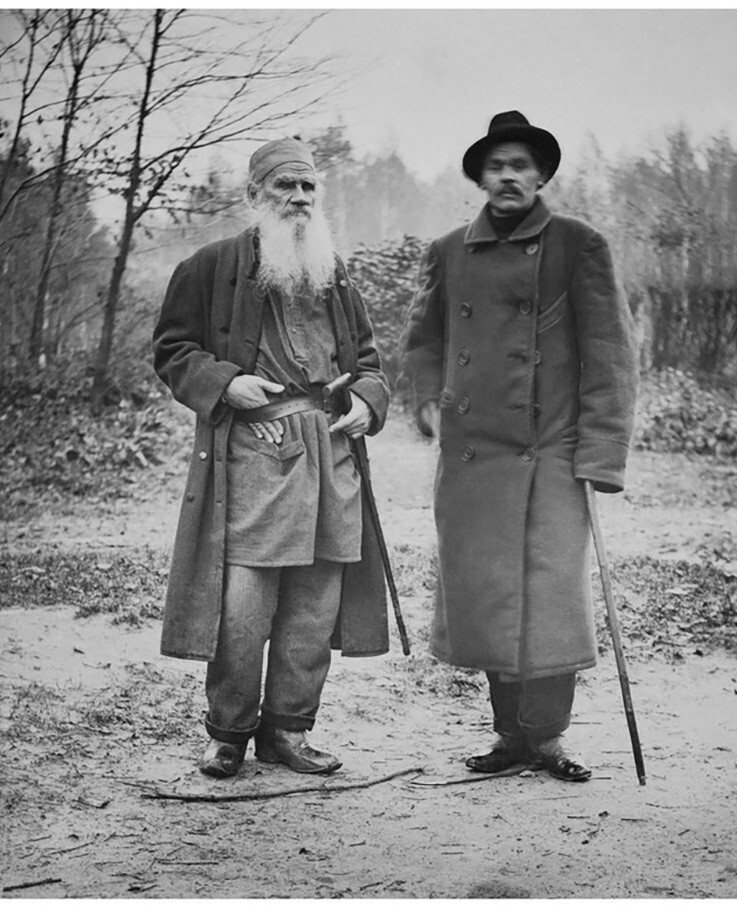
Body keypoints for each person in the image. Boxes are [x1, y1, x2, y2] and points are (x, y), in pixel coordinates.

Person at [402, 111, 639, 782]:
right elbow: (423, 341)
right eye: (497, 165)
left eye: (522, 166)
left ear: (541, 177)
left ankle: (547, 738)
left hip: (552, 457)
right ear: (480, 175)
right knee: (486, 599)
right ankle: (510, 736)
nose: (508, 176)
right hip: (474, 458)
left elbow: (610, 356)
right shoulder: (447, 250)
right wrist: (427, 405)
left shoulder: (577, 245)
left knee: (548, 598)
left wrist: (599, 454)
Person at [153, 138, 391, 779]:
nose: (299, 198)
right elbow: (174, 352)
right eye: (284, 186)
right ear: (253, 194)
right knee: (245, 605)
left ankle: (289, 731)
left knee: (316, 605)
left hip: (331, 454)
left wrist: (369, 399)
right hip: (255, 457)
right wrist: (226, 383)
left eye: (309, 187)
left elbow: (368, 361)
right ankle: (229, 732)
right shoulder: (210, 267)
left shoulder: (333, 272)